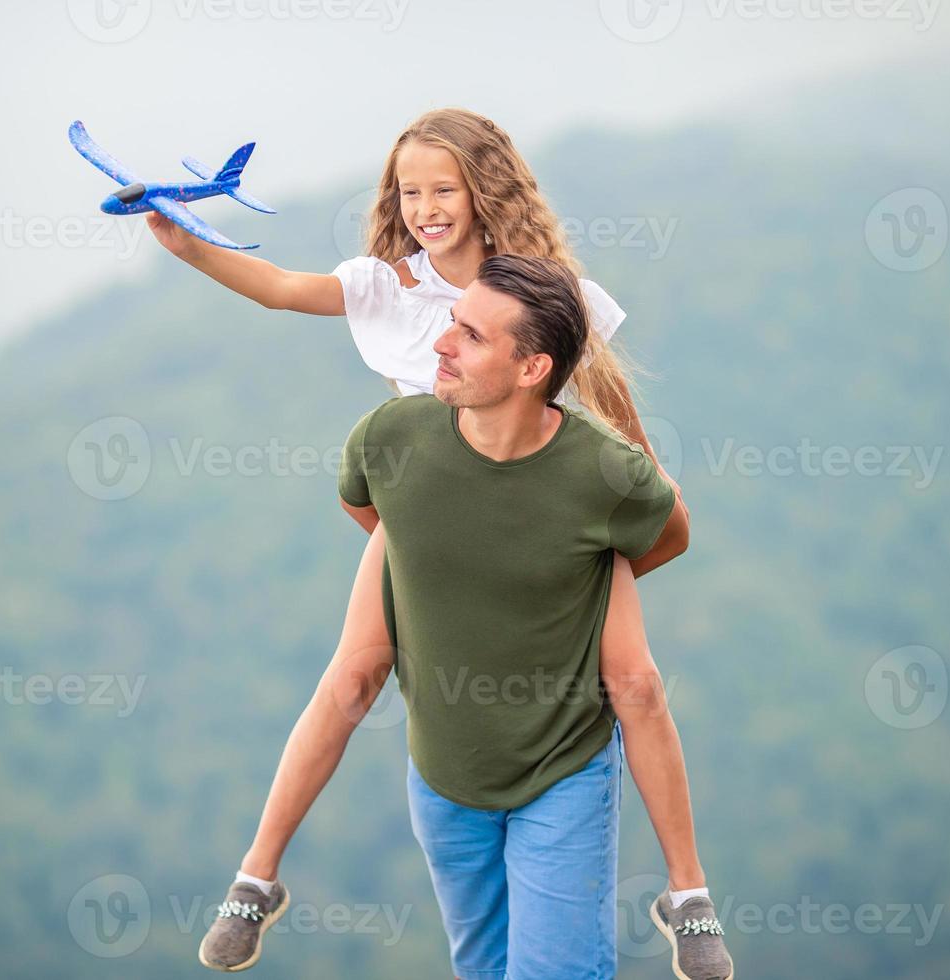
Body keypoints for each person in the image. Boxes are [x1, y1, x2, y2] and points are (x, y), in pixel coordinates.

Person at [148, 109, 725, 978]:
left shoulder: (543, 290)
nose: (422, 206)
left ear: (484, 190)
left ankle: (689, 896)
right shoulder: (389, 288)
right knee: (349, 678)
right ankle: (255, 878)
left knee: (636, 683)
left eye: (441, 188)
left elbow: (613, 410)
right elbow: (279, 288)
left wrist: (588, 529)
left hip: (555, 509)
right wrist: (187, 244)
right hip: (426, 509)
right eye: (407, 191)